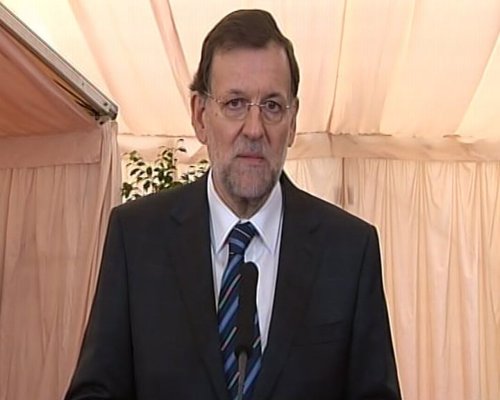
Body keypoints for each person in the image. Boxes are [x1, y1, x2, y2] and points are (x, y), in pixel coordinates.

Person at [65, 9, 401, 400]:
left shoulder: (349, 250)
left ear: (292, 122)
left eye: (272, 106)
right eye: (235, 103)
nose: (254, 129)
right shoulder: (137, 237)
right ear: (200, 116)